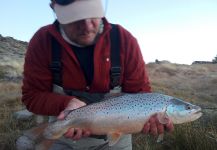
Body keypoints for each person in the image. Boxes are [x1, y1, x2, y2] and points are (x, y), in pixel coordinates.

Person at [21, 0, 174, 149]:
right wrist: (66, 105)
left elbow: (141, 95)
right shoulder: (42, 41)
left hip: (117, 140)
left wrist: (150, 120)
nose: (87, 26)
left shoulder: (124, 40)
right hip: (64, 136)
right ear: (54, 9)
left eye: (92, 13)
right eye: (74, 17)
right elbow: (31, 96)